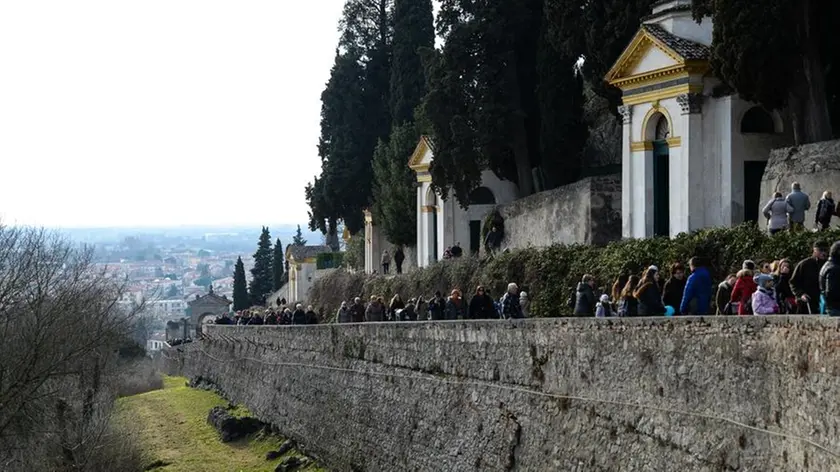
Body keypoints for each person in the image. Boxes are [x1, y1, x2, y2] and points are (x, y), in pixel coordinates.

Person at [790, 240, 829, 314]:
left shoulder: (829, 265)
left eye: (825, 250)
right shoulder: (804, 264)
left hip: (825, 301)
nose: (823, 253)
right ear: (814, 250)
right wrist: (801, 294)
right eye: (820, 250)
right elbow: (793, 282)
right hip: (807, 301)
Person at [819, 241, 840, 316]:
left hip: (832, 307)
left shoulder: (829, 265)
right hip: (836, 308)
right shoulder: (834, 268)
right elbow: (830, 291)